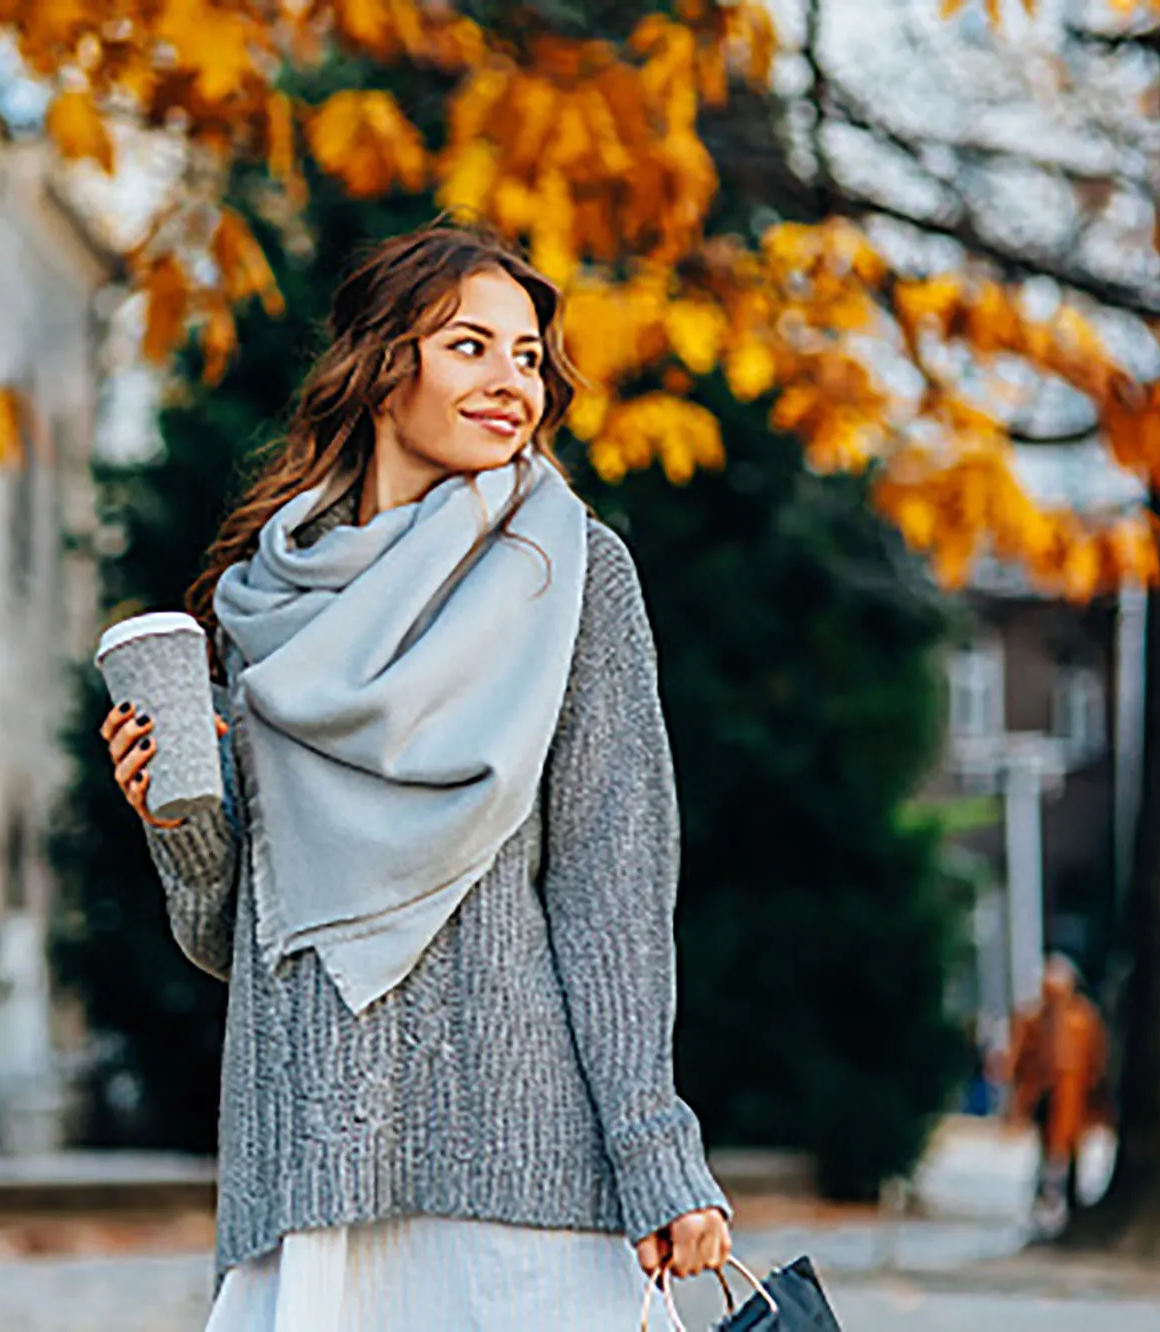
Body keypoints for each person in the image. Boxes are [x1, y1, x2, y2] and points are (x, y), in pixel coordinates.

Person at [98, 222, 731, 1330]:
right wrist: (176, 819)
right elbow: (245, 939)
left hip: (517, 1159)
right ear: (382, 369)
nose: (509, 383)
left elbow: (609, 886)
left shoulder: (574, 576)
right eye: (469, 347)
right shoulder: (261, 606)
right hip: (306, 1153)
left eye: (527, 355)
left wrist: (654, 1148)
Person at [1004, 953, 1110, 1225]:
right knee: (1046, 1142)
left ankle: (1070, 1194)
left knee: (1071, 1142)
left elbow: (1096, 1056)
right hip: (1043, 1090)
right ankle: (1045, 1191)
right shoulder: (1033, 1018)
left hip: (1074, 1091)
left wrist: (1096, 1086)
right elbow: (1020, 1055)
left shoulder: (1082, 1018)